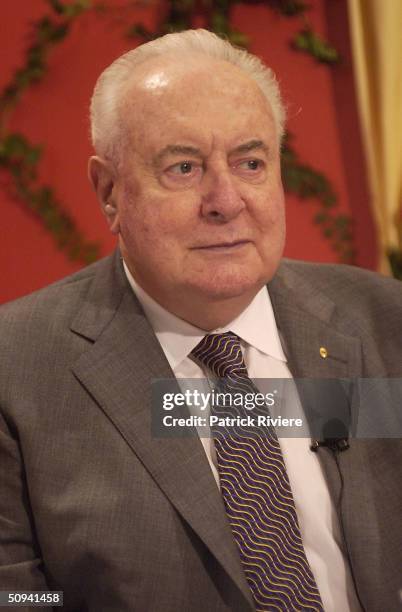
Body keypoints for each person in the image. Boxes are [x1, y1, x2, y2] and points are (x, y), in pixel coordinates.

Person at [0, 29, 401, 612]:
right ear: (109, 192)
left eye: (251, 162)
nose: (225, 199)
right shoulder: (16, 368)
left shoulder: (386, 322)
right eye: (183, 168)